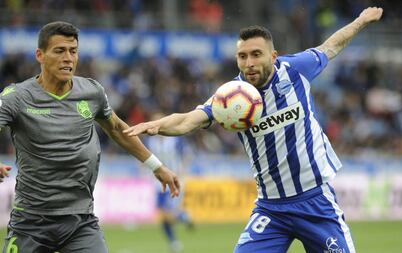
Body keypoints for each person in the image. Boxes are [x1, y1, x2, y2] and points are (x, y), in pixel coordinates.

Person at [124, 7, 383, 253]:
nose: (249, 63)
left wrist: (361, 20)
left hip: (315, 201)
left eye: (256, 54)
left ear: (273, 55)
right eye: (242, 56)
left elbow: (331, 46)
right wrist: (158, 125)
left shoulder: (296, 70)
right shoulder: (231, 97)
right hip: (271, 209)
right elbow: (190, 119)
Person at [0, 21, 180, 253]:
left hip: (80, 221)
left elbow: (116, 129)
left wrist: (156, 166)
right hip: (31, 222)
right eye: (59, 51)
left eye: (73, 51)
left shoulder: (91, 92)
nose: (68, 58)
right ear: (40, 55)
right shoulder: (16, 97)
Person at [145, 113, 194, 253]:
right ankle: (174, 239)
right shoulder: (150, 141)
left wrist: (183, 171)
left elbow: (187, 155)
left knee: (169, 214)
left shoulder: (175, 140)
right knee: (162, 215)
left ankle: (182, 217)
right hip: (157, 183)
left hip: (175, 179)